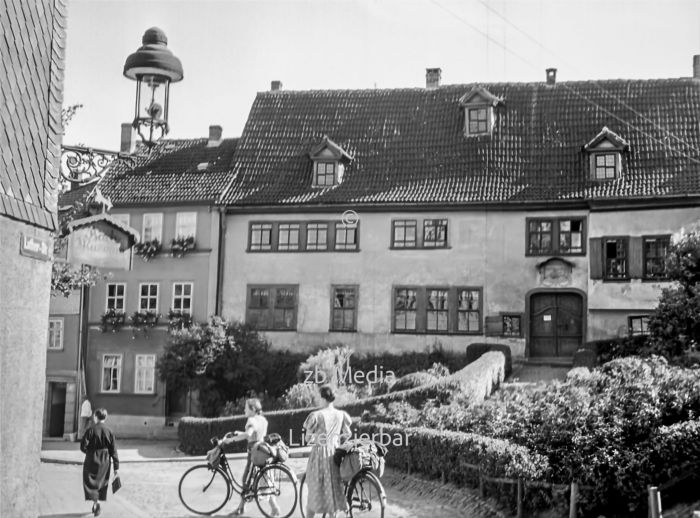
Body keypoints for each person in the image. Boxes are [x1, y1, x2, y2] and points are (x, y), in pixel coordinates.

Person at [222, 398, 279, 516]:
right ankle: (272, 508)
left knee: (246, 480)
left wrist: (231, 440)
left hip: (254, 454)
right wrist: (239, 433)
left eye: (246, 408)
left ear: (252, 409)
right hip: (262, 452)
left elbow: (248, 434)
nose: (244, 410)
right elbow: (255, 434)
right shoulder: (263, 419)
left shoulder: (251, 419)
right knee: (264, 480)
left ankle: (241, 509)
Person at [303, 385, 352, 518]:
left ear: (322, 398)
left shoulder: (316, 415)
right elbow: (348, 434)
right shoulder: (341, 415)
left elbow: (307, 438)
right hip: (335, 454)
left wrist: (316, 439)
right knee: (333, 489)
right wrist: (335, 440)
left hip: (320, 455)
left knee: (315, 491)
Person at [80, 408, 119, 517]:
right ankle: (97, 503)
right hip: (105, 461)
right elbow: (114, 450)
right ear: (105, 418)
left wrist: (89, 453)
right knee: (101, 483)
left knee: (91, 482)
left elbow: (83, 446)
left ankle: (96, 504)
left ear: (95, 417)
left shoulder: (90, 429)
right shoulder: (109, 431)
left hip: (91, 459)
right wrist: (116, 467)